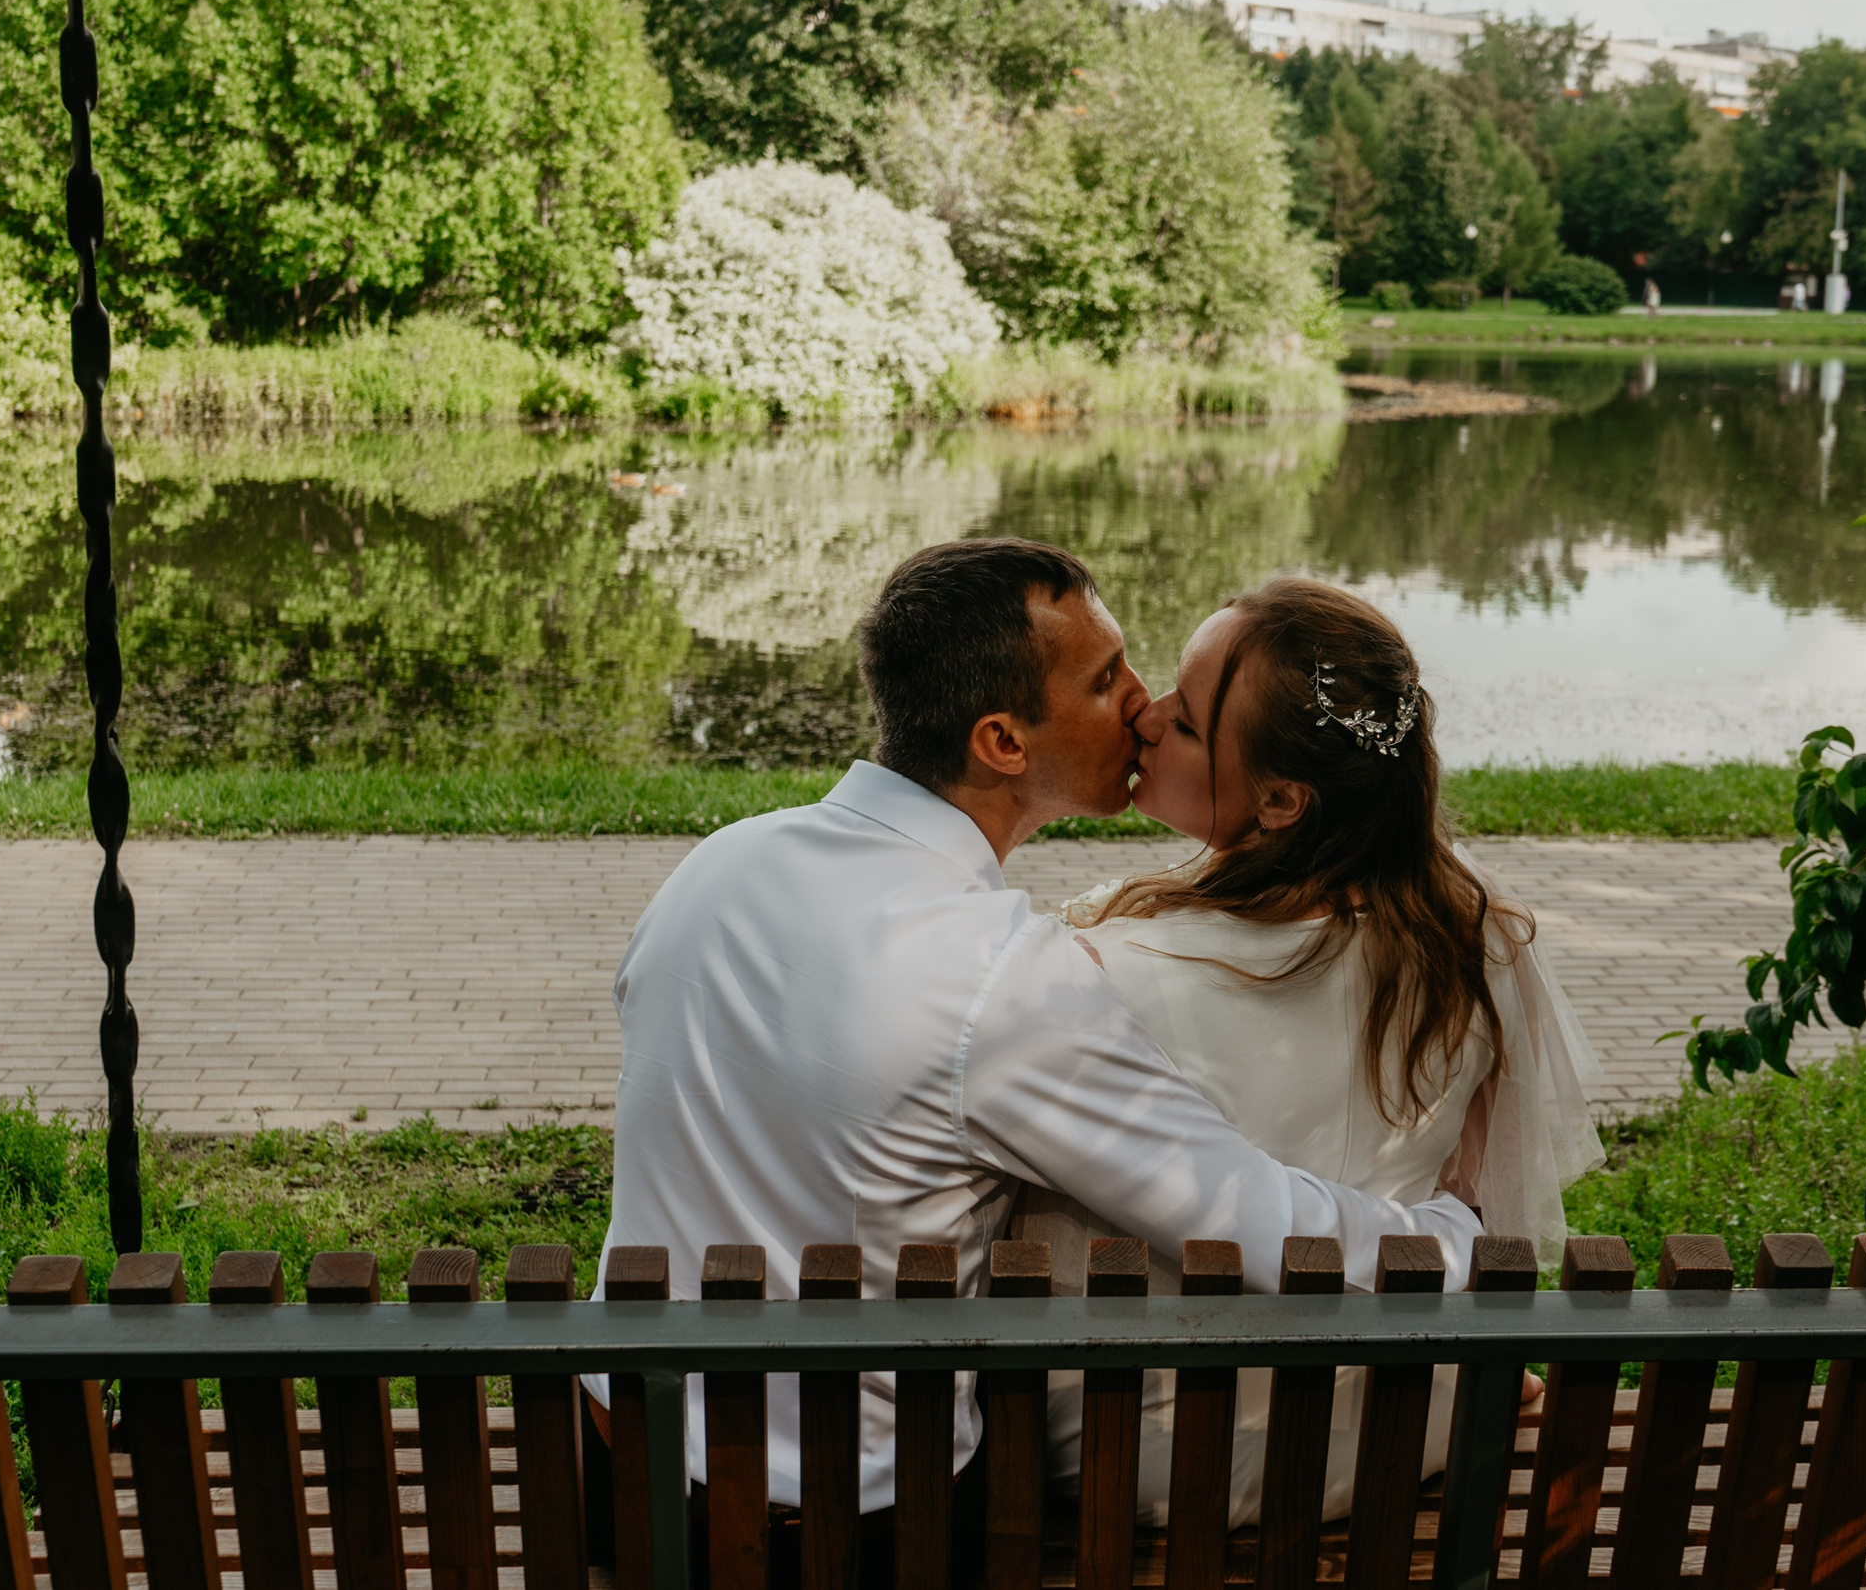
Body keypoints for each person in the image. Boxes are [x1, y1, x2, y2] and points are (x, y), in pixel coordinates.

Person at [583, 540, 1482, 1531]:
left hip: (615, 1455)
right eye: (1105, 682)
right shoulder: (1001, 983)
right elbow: (1239, 1217)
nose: (1142, 704)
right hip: (849, 1519)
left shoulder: (718, 865)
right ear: (1003, 743)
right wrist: (1447, 1237)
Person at [1023, 578, 1602, 1526]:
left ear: (1283, 798)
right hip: (1396, 1424)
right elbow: (1485, 1209)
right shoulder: (1476, 942)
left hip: (1147, 1454)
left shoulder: (1100, 972)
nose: (1147, 713)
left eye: (1191, 720)